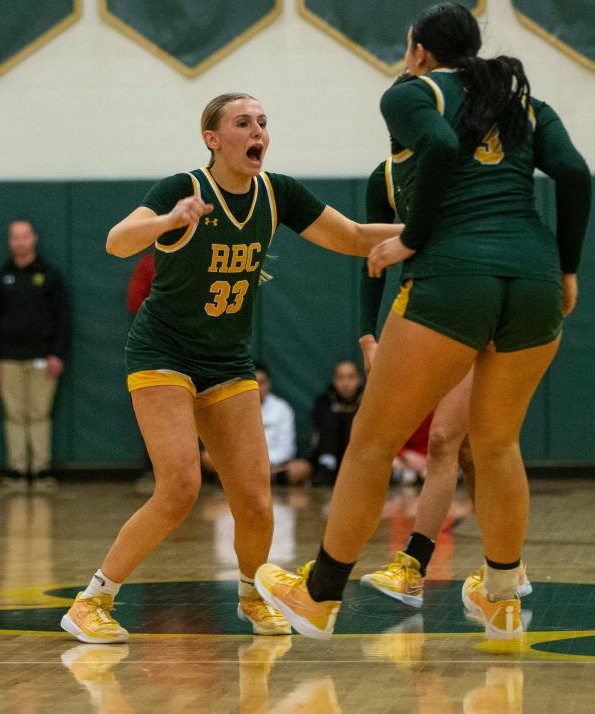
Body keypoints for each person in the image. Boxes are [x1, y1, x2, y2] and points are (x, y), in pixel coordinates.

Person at [256, 3, 590, 640]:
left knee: (373, 441)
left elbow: (437, 144)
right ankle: (500, 596)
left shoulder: (413, 93)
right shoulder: (523, 103)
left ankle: (320, 593)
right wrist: (569, 267)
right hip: (535, 276)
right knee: (496, 446)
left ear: (417, 50)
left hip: (453, 276)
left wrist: (415, 236)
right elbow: (573, 172)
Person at [60, 92, 405, 644]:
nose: (258, 131)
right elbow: (115, 241)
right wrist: (170, 220)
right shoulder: (184, 188)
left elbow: (357, 238)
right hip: (163, 352)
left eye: (263, 123)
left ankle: (250, 595)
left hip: (226, 358)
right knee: (179, 488)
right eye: (243, 123)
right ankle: (91, 600)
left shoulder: (277, 193)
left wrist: (428, 234)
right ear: (213, 139)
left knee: (256, 499)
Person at [357, 157, 530, 606]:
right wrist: (366, 334)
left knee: (444, 440)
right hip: (436, 313)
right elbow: (369, 257)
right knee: (469, 451)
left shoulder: (468, 167)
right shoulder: (386, 179)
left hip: (489, 307)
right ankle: (508, 565)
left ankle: (412, 566)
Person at [0, 219, 71, 493]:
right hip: (9, 358)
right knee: (14, 415)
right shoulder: (1, 278)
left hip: (42, 358)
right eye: (15, 237)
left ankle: (41, 470)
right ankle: (18, 470)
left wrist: (56, 353)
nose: (20, 242)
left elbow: (62, 318)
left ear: (33, 238)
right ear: (10, 242)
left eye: (24, 237)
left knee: (39, 413)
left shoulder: (49, 275)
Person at [201, 363, 311, 485]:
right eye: (254, 383)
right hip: (239, 465)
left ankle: (245, 480)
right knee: (207, 457)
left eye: (261, 383)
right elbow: (225, 445)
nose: (258, 387)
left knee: (302, 468)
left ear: (269, 384)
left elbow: (286, 449)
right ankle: (253, 479)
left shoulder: (282, 409)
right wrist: (245, 463)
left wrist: (261, 464)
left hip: (272, 466)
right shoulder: (233, 407)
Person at [307, 360, 363, 485]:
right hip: (327, 457)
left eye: (351, 377)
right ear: (334, 380)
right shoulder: (323, 401)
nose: (346, 383)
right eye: (341, 377)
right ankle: (328, 465)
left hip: (358, 458)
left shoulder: (367, 400)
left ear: (359, 379)